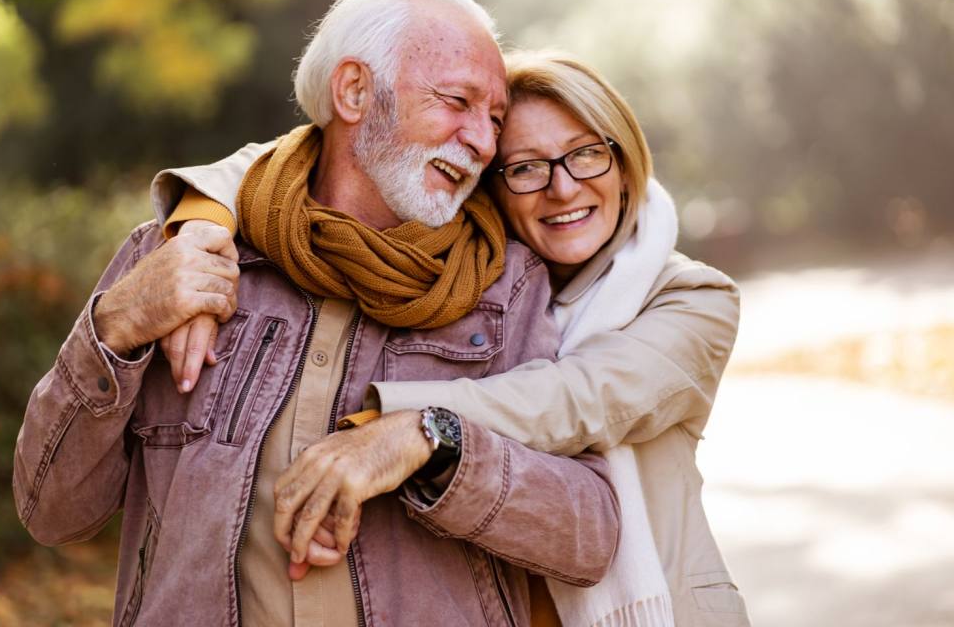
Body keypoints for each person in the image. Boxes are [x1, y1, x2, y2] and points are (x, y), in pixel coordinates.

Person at [12, 0, 621, 627]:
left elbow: (590, 535)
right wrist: (114, 327)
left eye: (494, 118)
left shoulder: (509, 285)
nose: (482, 141)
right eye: (457, 102)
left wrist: (436, 444)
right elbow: (52, 509)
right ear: (354, 90)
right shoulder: (181, 254)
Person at [157, 51, 750, 626]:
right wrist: (203, 218)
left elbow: (577, 396)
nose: (563, 189)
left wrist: (416, 429)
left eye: (585, 155)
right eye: (525, 167)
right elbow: (314, 163)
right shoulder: (484, 278)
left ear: (625, 163)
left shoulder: (693, 298)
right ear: (490, 183)